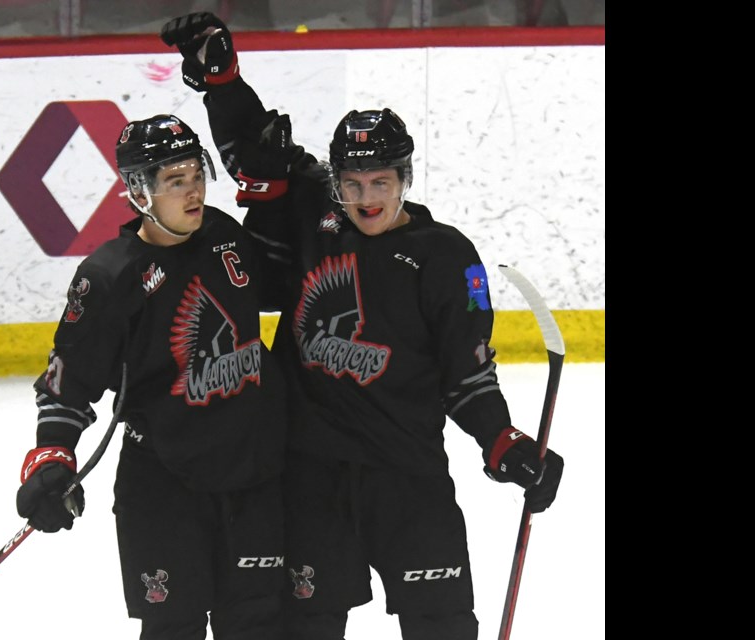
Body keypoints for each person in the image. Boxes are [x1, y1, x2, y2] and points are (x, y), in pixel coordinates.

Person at [160, 13, 565, 640]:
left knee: (444, 627)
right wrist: (223, 81)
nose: (366, 197)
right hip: (312, 475)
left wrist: (502, 441)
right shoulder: (314, 214)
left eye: (380, 182)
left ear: (406, 178)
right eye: (351, 183)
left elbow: (467, 373)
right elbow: (253, 147)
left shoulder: (445, 257)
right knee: (306, 626)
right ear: (335, 181)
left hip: (409, 475)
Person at [14, 113, 288, 640]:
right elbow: (66, 385)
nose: (193, 193)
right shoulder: (109, 277)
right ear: (140, 190)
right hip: (164, 488)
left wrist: (279, 193)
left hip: (252, 479)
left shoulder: (226, 237)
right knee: (173, 629)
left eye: (197, 176)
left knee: (257, 626)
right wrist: (52, 454)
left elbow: (285, 285)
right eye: (175, 181)